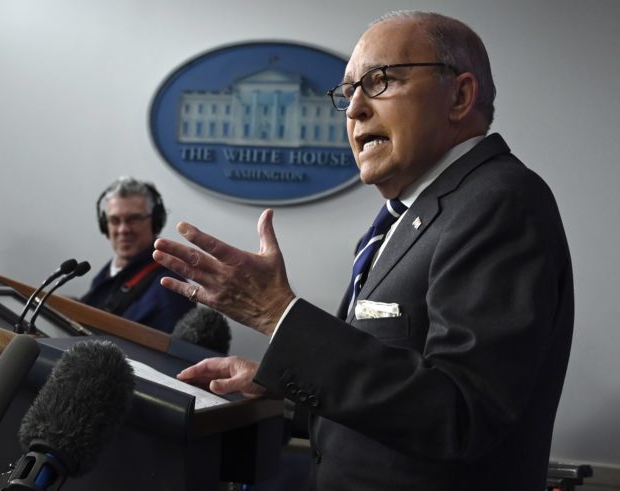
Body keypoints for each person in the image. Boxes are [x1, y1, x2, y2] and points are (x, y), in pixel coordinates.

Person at [154, 11, 573, 490]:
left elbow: (458, 413)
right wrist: (279, 384)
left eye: (379, 81)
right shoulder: (395, 222)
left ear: (459, 96)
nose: (353, 110)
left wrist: (276, 314)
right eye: (348, 92)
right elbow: (388, 392)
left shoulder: (499, 201)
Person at [80, 177, 194, 333]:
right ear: (104, 225)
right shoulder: (105, 276)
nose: (123, 230)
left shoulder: (170, 287)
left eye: (134, 219)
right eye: (114, 220)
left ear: (155, 222)